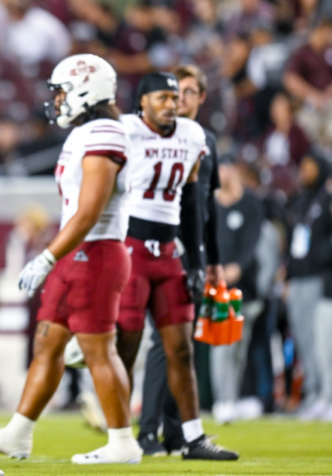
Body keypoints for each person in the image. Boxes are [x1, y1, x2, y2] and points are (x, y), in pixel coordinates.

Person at [0, 54, 142, 466]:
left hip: (96, 251)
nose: (59, 100)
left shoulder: (105, 132)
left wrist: (47, 257)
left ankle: (122, 441)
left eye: (64, 90)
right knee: (48, 341)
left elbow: (89, 211)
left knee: (99, 350)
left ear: (87, 90)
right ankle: (19, 431)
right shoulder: (85, 133)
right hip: (78, 254)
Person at [114, 72, 237, 460]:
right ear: (143, 102)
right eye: (163, 97)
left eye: (175, 97)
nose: (172, 104)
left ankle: (193, 437)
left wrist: (199, 260)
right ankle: (120, 437)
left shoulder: (193, 135)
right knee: (128, 346)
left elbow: (192, 201)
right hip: (132, 248)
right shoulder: (125, 129)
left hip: (168, 253)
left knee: (181, 349)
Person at [209, 155, 266, 423]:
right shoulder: (211, 204)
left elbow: (253, 242)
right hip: (217, 287)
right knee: (221, 344)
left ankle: (233, 397)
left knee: (239, 348)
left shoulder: (251, 204)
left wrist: (239, 267)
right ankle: (223, 400)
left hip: (245, 288)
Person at [285, 152, 332, 418]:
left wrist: (320, 259)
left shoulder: (326, 201)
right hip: (298, 278)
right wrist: (288, 275)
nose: (304, 171)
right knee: (302, 338)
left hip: (317, 277)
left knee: (318, 339)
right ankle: (313, 392)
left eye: (309, 166)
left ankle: (325, 393)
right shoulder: (301, 200)